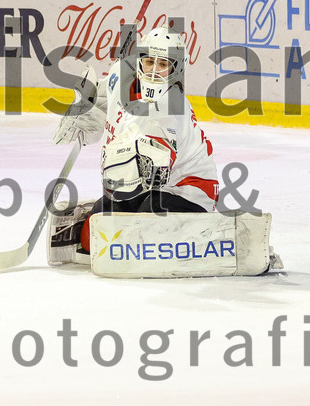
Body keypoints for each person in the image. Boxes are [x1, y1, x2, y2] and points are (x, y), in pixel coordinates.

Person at [47, 27, 221, 265]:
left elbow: (151, 173)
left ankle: (203, 233)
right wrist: (90, 108)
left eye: (163, 64)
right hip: (143, 186)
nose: (154, 71)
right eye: (150, 61)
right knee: (95, 231)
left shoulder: (171, 107)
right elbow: (106, 92)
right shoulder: (121, 74)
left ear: (177, 68)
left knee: (145, 220)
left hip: (188, 188)